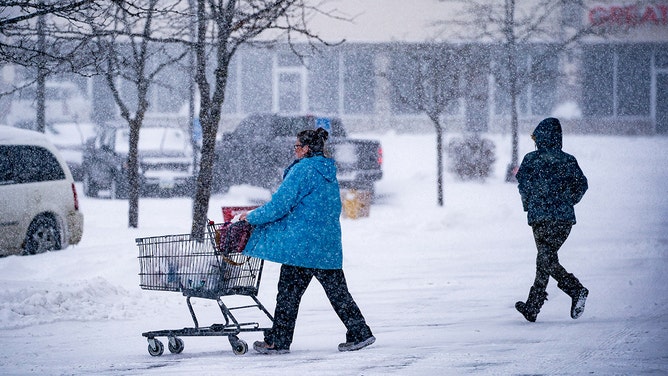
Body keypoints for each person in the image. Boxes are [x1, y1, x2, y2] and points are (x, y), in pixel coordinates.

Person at [239, 127, 375, 354]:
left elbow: (279, 205)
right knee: (338, 292)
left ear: (306, 148)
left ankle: (279, 341)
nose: (295, 150)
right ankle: (360, 331)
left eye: (297, 146)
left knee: (288, 293)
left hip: (302, 246)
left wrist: (251, 217)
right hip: (326, 244)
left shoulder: (304, 170)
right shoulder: (327, 171)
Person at [514, 117, 589, 322]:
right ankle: (534, 306)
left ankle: (574, 291)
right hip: (563, 220)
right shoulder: (569, 160)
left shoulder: (531, 160)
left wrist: (530, 204)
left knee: (545, 259)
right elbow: (581, 185)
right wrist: (568, 201)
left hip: (540, 219)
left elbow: (522, 185)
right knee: (546, 259)